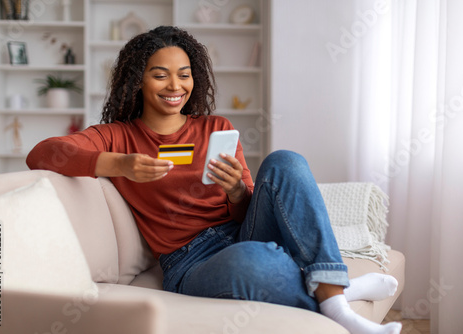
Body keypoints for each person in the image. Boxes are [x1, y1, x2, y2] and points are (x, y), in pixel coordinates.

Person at [26, 26, 401, 334]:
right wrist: (118, 164)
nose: (175, 85)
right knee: (253, 261)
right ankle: (341, 294)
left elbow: (245, 210)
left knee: (286, 161)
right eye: (160, 74)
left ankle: (334, 302)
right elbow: (42, 153)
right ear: (137, 81)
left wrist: (237, 191)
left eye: (184, 74)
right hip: (189, 262)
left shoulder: (216, 128)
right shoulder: (116, 136)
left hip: (242, 232)